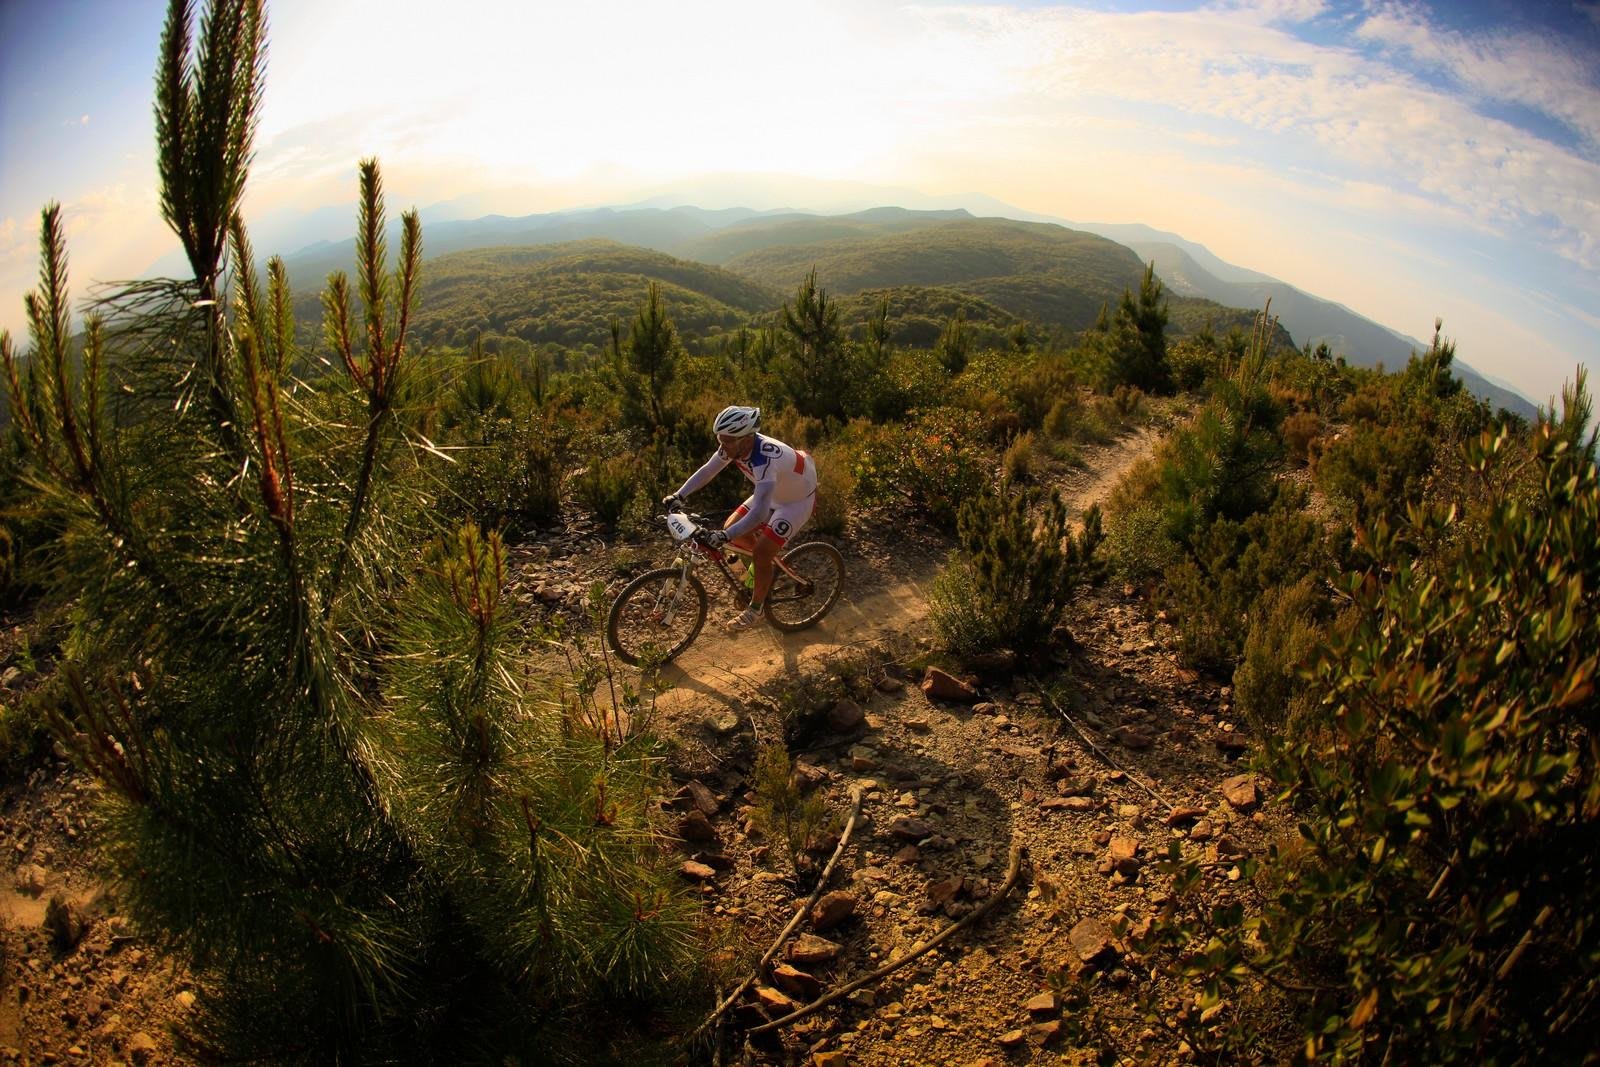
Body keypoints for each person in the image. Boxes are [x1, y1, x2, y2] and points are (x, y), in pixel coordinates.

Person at [664, 405, 818, 631]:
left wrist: (724, 535)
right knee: (734, 530)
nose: (722, 445)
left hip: (796, 501)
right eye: (719, 439)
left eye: (727, 440)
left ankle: (756, 609)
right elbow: (708, 470)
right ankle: (761, 574)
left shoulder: (765, 458)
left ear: (746, 439)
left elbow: (759, 512)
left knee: (761, 551)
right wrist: (679, 495)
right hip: (774, 492)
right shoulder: (734, 446)